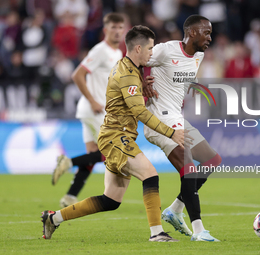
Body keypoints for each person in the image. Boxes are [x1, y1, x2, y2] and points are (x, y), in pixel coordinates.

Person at [41, 25, 187, 242]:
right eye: (150, 48)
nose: (151, 53)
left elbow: (128, 101)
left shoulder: (127, 68)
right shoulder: (128, 73)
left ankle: (53, 218)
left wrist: (140, 87)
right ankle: (157, 233)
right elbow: (138, 111)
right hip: (116, 137)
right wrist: (170, 132)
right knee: (150, 174)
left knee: (111, 200)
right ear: (138, 48)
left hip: (115, 136)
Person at [143, 15, 222, 242]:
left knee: (212, 160)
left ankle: (175, 209)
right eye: (206, 32)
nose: (210, 37)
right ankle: (199, 231)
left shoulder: (199, 56)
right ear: (192, 32)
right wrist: (140, 81)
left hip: (177, 118)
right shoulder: (166, 50)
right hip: (158, 120)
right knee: (187, 169)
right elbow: (133, 61)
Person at [51, 13, 124, 208]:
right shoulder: (100, 50)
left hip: (96, 109)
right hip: (95, 109)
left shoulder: (117, 53)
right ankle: (67, 162)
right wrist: (93, 101)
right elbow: (78, 75)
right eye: (113, 28)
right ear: (105, 30)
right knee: (111, 152)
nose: (117, 31)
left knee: (92, 154)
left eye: (120, 28)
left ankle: (70, 196)